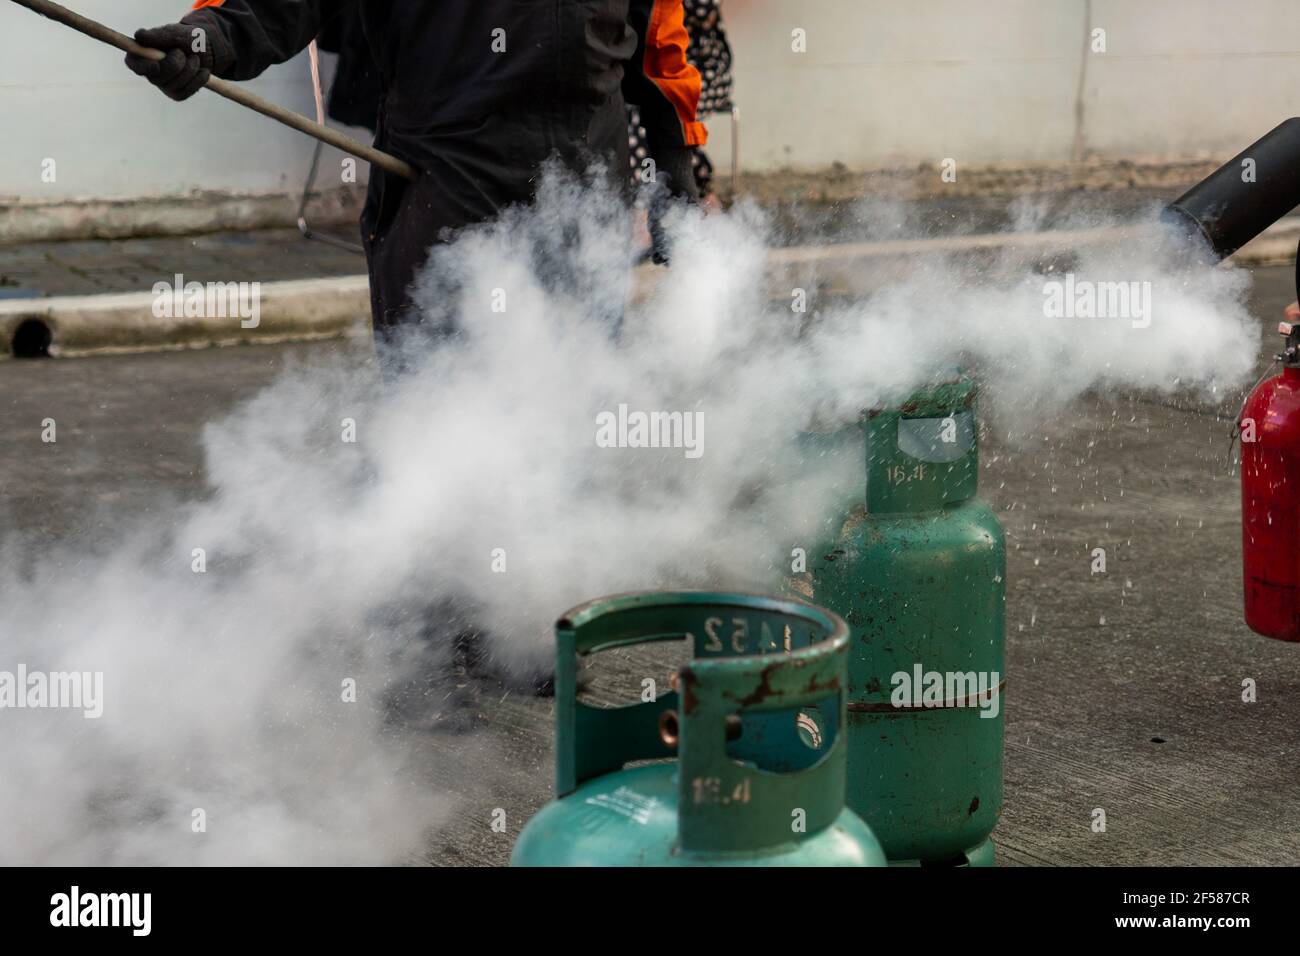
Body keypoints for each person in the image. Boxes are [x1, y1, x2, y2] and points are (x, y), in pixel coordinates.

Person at [125, 1, 707, 356]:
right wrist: (212, 37)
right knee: (438, 419)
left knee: (574, 402)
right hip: (445, 183)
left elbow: (658, 34)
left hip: (587, 187)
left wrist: (675, 166)